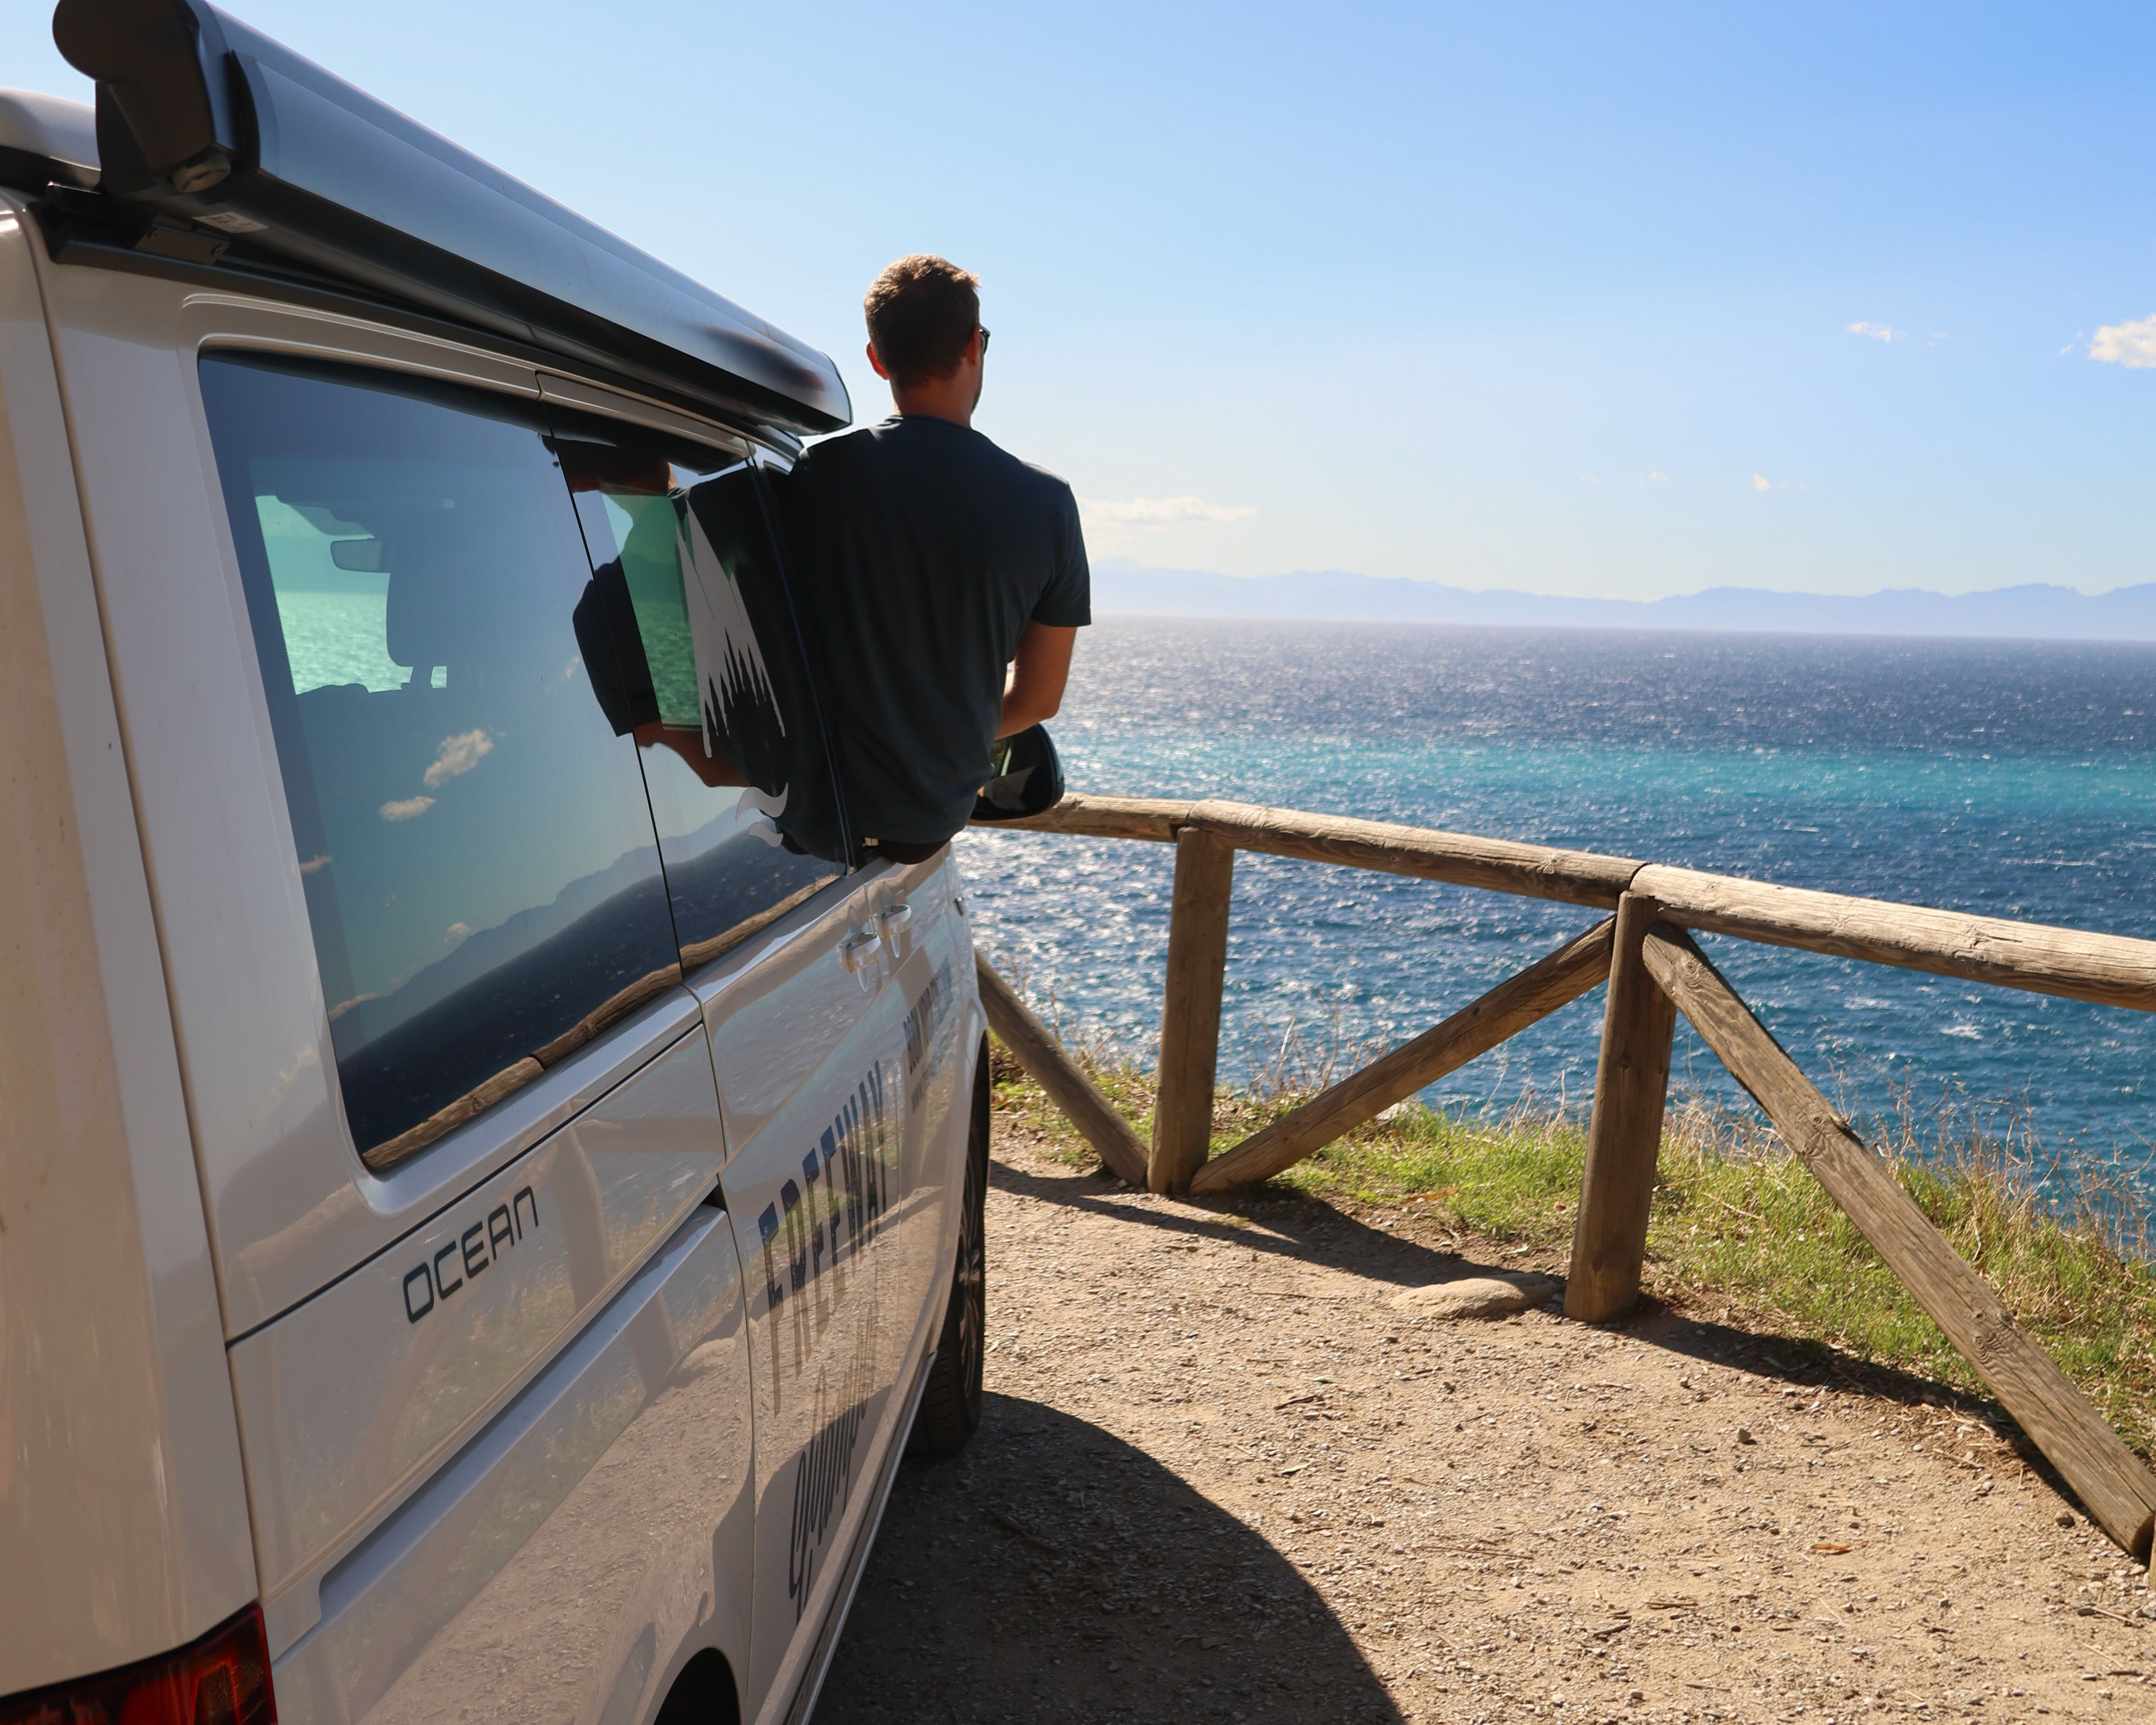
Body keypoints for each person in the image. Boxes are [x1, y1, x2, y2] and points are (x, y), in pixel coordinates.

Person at [779, 254, 1090, 862]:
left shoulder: (815, 476)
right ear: (975, 344)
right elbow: (1037, 700)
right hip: (918, 833)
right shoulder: (1046, 503)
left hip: (802, 815)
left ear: (876, 358)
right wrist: (936, 739)